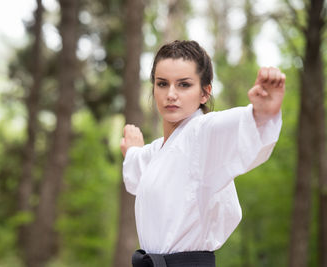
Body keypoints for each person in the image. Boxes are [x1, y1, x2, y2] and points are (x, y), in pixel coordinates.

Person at [120, 40, 285, 267]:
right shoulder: (157, 151)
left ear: (205, 92)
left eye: (184, 85)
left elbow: (236, 127)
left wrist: (262, 114)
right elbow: (138, 173)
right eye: (162, 83)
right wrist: (132, 151)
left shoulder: (203, 134)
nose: (170, 94)